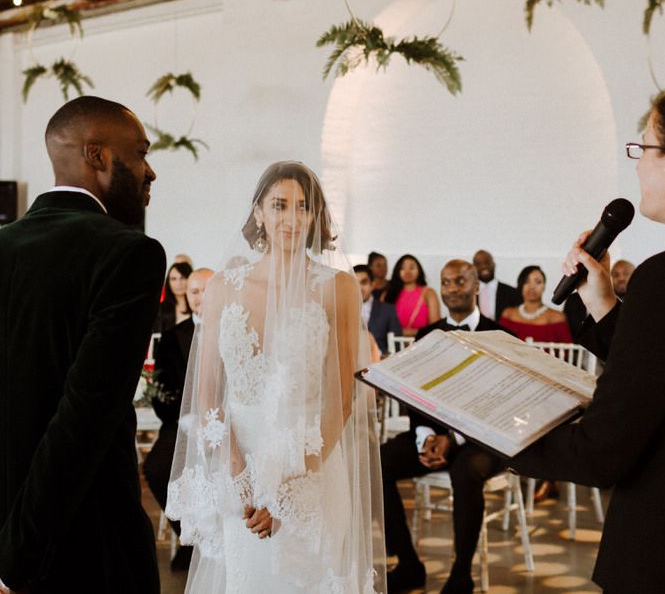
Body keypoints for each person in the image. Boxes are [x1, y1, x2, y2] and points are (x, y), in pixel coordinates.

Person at [510, 84, 665, 593]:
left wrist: (493, 430)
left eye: (643, 148)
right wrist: (605, 305)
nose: (637, 165)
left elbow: (600, 452)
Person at [166, 161, 385, 593]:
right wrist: (241, 475)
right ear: (259, 212)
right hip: (239, 463)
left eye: (303, 208)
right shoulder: (223, 287)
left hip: (311, 463)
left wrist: (288, 490)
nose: (291, 218)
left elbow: (341, 397)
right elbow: (209, 395)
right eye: (279, 205)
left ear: (315, 217)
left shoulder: (337, 286)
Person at [0, 96, 166, 594]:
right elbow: (86, 415)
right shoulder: (128, 253)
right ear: (97, 155)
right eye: (139, 153)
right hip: (83, 541)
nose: (149, 171)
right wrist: (15, 559)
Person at [382, 260, 506, 594]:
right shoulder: (428, 334)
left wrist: (454, 438)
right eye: (446, 283)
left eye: (460, 282)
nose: (452, 289)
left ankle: (461, 575)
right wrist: (425, 437)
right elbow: (416, 393)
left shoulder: (501, 335)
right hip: (433, 432)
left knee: (466, 472)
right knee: (377, 462)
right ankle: (408, 564)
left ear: (476, 286)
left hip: (485, 439)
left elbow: (501, 402)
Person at [143, 268, 214, 571]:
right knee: (156, 468)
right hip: (181, 426)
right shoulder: (173, 338)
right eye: (195, 292)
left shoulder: (235, 330)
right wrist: (186, 418)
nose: (201, 297)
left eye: (207, 290)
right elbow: (161, 396)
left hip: (225, 425)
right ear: (187, 296)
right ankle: (188, 535)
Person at [499, 265, 572, 343]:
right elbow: (497, 345)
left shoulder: (556, 317)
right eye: (527, 282)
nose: (532, 286)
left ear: (544, 286)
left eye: (538, 282)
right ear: (521, 285)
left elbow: (568, 352)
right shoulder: (508, 314)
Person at [564, 259, 635, 338]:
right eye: (615, 274)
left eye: (626, 273)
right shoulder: (574, 300)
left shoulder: (641, 302)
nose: (621, 278)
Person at [383, 254, 440, 336]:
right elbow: (382, 326)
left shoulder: (429, 293)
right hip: (392, 346)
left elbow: (435, 329)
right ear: (397, 271)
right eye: (402, 268)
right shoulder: (388, 294)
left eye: (412, 268)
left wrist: (401, 332)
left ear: (419, 270)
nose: (407, 272)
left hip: (422, 345)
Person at [354, 263, 402, 354]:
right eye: (355, 283)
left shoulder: (388, 310)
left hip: (381, 363)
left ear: (372, 284)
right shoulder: (341, 311)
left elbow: (396, 347)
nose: (359, 288)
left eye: (364, 282)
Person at [472, 249, 521, 321]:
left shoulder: (512, 293)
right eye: (479, 264)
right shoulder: (468, 294)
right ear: (473, 268)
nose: (483, 266)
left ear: (494, 264)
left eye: (487, 262)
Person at [156, 261, 193, 333]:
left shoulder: (199, 307)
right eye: (174, 279)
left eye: (182, 277)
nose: (178, 283)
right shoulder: (161, 309)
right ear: (168, 282)